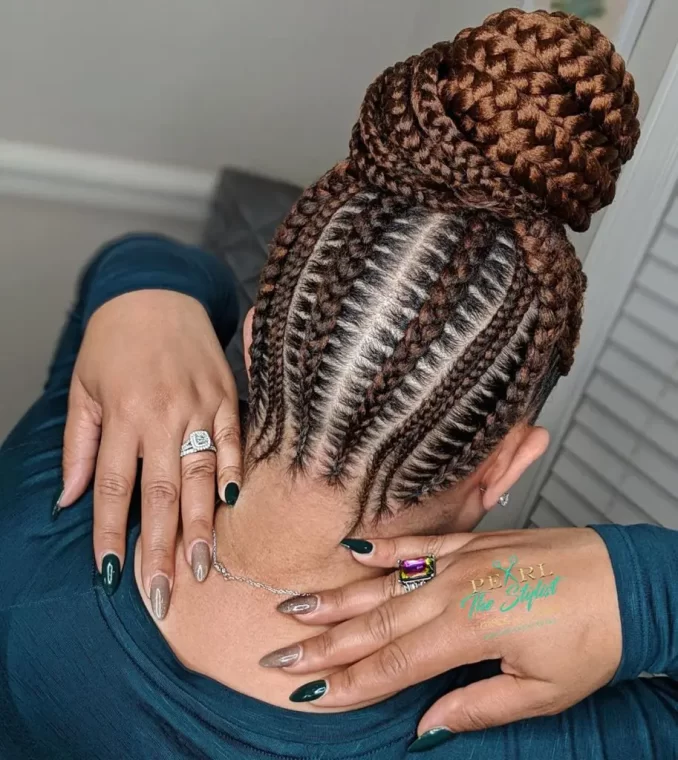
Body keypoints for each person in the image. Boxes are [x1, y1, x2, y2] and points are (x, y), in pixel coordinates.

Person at [0, 8, 676, 759]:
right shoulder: (492, 723)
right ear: (506, 467)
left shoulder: (47, 518)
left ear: (254, 342)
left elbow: (143, 259)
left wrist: (145, 293)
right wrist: (642, 589)